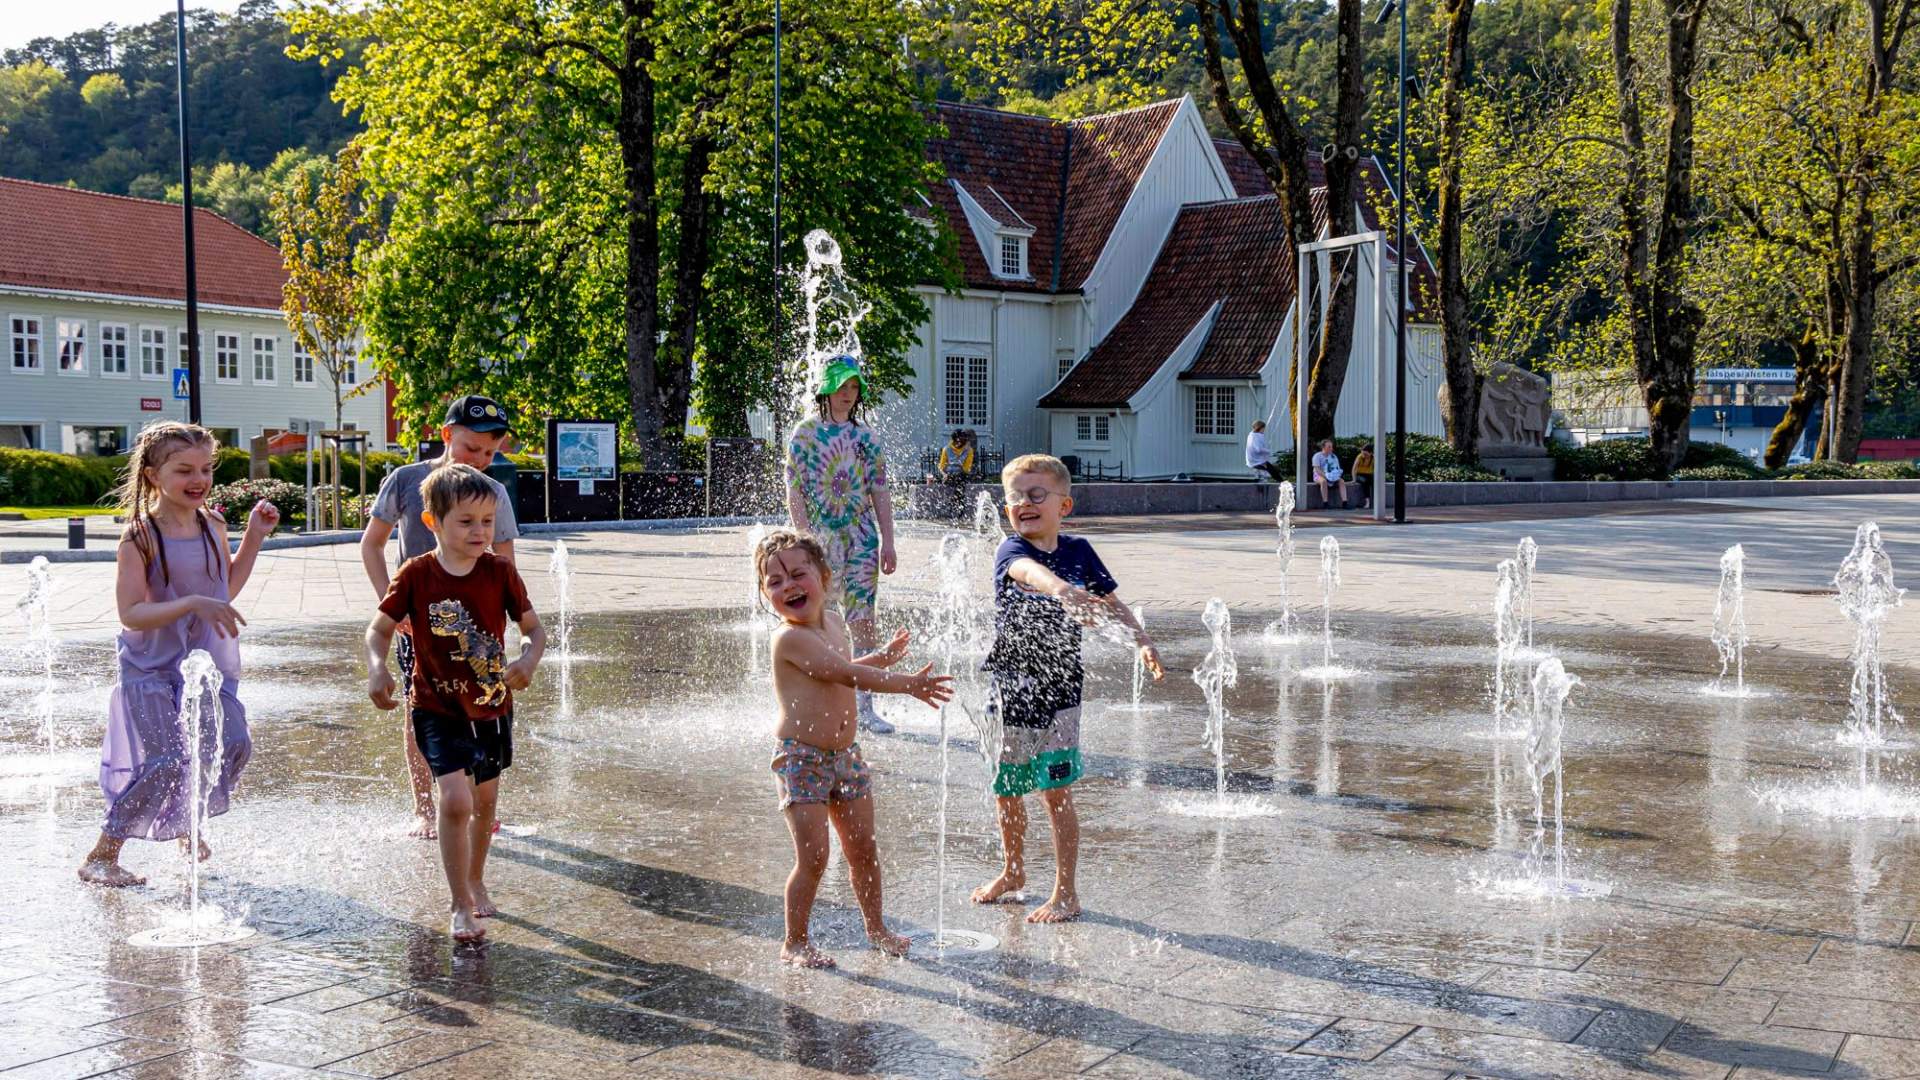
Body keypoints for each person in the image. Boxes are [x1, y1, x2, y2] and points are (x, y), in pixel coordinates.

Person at [79, 422, 280, 886]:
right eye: (184, 469)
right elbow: (131, 613)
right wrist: (191, 604)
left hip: (206, 665)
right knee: (167, 759)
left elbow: (223, 587)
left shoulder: (213, 524)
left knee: (233, 742)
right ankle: (102, 855)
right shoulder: (140, 537)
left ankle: (187, 824)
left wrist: (254, 536)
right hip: (150, 669)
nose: (199, 479)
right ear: (152, 474)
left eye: (207, 469)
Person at [972, 454, 1163, 923]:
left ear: (1065, 505)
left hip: (1060, 690)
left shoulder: (1079, 550)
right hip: (1012, 684)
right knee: (1008, 786)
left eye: (1037, 494)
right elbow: (1028, 573)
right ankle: (1013, 872)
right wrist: (1060, 590)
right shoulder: (1011, 551)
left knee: (1056, 790)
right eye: (1015, 496)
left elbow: (1110, 600)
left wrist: (1142, 640)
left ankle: (1065, 892)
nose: (1024, 503)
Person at [756, 528, 952, 967]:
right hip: (801, 760)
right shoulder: (790, 639)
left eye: (797, 574)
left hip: (846, 757)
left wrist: (880, 657)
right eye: (774, 581)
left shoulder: (834, 623)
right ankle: (795, 942)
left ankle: (877, 929)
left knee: (863, 849)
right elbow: (844, 676)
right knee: (814, 857)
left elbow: (842, 667)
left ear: (824, 576)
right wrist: (908, 686)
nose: (788, 586)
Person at [366, 464, 545, 943]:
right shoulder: (416, 574)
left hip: (490, 705)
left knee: (486, 803)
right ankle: (459, 903)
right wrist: (378, 666)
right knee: (457, 799)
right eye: (466, 522)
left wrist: (529, 658)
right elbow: (378, 628)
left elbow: (534, 628)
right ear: (433, 523)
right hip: (436, 707)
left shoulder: (500, 572)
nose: (480, 532)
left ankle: (476, 877)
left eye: (486, 521)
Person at [362, 395, 520, 838]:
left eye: (490, 452)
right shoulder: (407, 480)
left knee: (482, 709)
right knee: (423, 710)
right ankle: (424, 806)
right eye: (472, 448)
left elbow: (505, 561)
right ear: (447, 436)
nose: (481, 460)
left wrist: (505, 619)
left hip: (475, 628)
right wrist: (391, 610)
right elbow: (371, 544)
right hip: (418, 623)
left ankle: (480, 806)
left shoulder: (495, 492)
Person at [786, 355, 899, 734]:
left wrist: (888, 541)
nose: (849, 394)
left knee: (863, 619)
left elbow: (879, 489)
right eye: (842, 386)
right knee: (822, 619)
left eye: (854, 387)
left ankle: (865, 707)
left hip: (862, 539)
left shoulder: (865, 436)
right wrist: (803, 542)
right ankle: (823, 700)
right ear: (826, 388)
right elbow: (795, 490)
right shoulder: (805, 433)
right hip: (821, 539)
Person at [1311, 439, 1350, 510]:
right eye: (1329, 447)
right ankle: (1325, 503)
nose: (1331, 448)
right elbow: (1317, 469)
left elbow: (1336, 468)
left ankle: (1345, 503)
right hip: (1319, 475)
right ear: (1323, 447)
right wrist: (1326, 476)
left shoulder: (1333, 456)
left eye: (1331, 447)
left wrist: (1335, 475)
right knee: (1323, 482)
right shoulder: (1317, 456)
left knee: (1341, 481)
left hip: (1331, 476)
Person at [1353, 442, 1376, 510]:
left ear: (1371, 453)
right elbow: (1354, 468)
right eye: (1363, 453)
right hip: (1359, 474)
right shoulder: (1359, 457)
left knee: (1374, 483)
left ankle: (1376, 502)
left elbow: (1376, 468)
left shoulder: (1373, 458)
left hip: (1369, 474)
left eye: (1366, 454)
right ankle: (1367, 502)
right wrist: (1354, 479)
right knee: (1365, 482)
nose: (1364, 455)